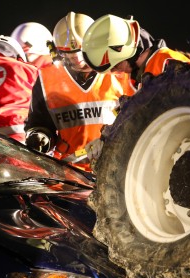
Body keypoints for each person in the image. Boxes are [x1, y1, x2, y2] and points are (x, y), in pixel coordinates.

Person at [80, 14, 190, 162]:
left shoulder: (167, 63)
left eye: (116, 66)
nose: (117, 72)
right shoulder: (144, 74)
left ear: (125, 52)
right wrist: (105, 139)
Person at [24, 12, 130, 171]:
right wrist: (40, 137)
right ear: (57, 51)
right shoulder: (47, 80)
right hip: (70, 172)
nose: (76, 59)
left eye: (81, 51)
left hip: (115, 166)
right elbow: (40, 124)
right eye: (68, 53)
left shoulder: (119, 73)